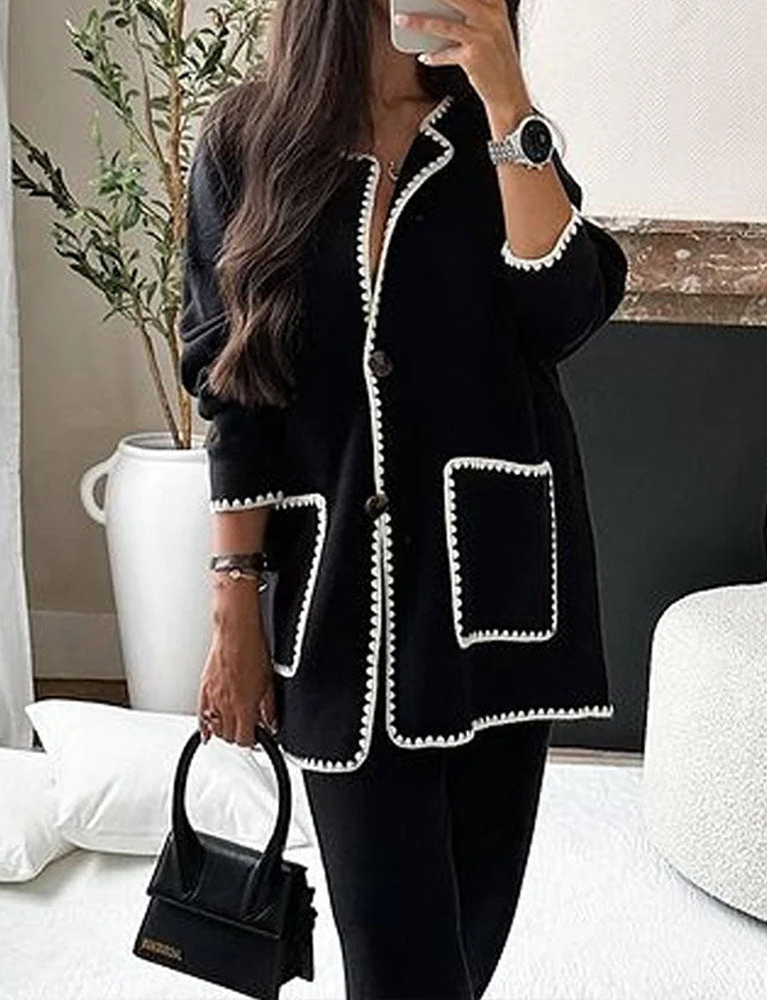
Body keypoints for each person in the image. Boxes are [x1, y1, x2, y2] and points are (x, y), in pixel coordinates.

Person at [179, 1, 629, 997]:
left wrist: (507, 100)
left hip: (494, 601)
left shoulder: (498, 138)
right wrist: (233, 600)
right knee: (399, 965)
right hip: (339, 605)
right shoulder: (246, 138)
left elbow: (563, 314)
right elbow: (234, 388)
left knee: (462, 951)